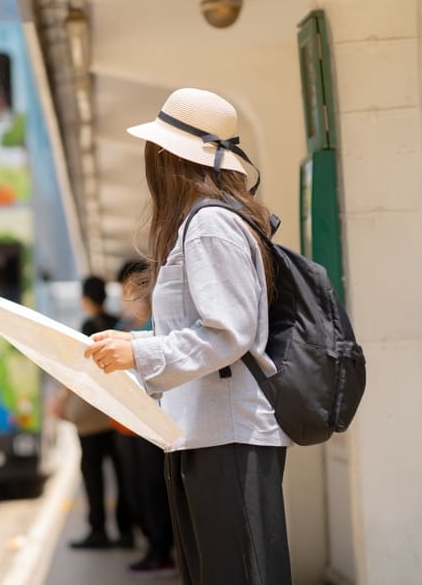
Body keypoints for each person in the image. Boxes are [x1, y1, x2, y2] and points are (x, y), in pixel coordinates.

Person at [85, 88, 292, 584]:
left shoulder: (209, 225)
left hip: (227, 434)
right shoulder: (207, 222)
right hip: (207, 431)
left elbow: (229, 334)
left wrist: (138, 349)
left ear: (169, 157)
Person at [53, 275, 135, 550]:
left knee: (93, 472)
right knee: (123, 473)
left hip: (93, 416)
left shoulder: (88, 326)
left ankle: (98, 530)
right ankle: (126, 531)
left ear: (86, 299)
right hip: (119, 413)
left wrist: (61, 398)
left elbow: (81, 368)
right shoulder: (117, 324)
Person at [112, 259, 177, 579]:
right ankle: (156, 549)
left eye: (128, 292)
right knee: (144, 491)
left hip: (150, 425)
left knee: (153, 491)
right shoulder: (133, 327)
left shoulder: (153, 328)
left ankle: (161, 551)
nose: (125, 299)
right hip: (133, 425)